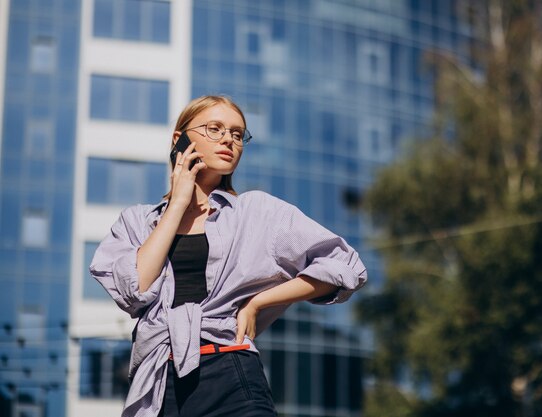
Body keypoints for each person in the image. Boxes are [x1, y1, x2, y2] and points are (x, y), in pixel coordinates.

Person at [89, 95, 367, 417]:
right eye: (214, 129)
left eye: (237, 134)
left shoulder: (256, 212)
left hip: (231, 374)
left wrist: (259, 303)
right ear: (179, 141)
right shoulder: (137, 222)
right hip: (158, 385)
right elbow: (134, 288)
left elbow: (346, 265)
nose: (228, 140)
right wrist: (178, 203)